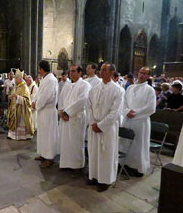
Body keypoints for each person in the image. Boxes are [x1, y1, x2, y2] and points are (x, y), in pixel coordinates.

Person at [86, 63, 123, 192]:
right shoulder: (94, 89)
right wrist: (92, 122)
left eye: (105, 70)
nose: (101, 72)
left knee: (106, 154)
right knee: (93, 152)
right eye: (101, 70)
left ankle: (105, 180)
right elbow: (88, 106)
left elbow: (115, 112)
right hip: (94, 126)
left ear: (112, 72)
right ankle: (94, 176)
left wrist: (101, 125)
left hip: (107, 129)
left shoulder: (117, 90)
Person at [121, 67, 156, 177]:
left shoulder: (149, 90)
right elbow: (124, 102)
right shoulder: (130, 88)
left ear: (148, 76)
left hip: (141, 122)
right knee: (125, 143)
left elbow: (151, 108)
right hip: (128, 119)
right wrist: (127, 111)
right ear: (137, 73)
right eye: (141, 72)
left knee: (139, 144)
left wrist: (135, 113)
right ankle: (124, 164)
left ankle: (138, 167)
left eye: (145, 73)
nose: (142, 75)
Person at [58, 64, 91, 170]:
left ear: (79, 72)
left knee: (76, 142)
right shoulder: (67, 85)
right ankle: (65, 163)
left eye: (73, 71)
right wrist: (61, 111)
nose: (71, 73)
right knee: (65, 141)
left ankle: (76, 165)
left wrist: (67, 112)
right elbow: (61, 98)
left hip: (76, 117)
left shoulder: (85, 85)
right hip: (65, 117)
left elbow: (83, 100)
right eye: (70, 71)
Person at [32, 60, 59, 168]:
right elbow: (39, 93)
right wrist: (34, 101)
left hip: (48, 111)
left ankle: (49, 158)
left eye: (39, 69)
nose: (38, 71)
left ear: (42, 69)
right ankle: (43, 154)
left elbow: (48, 96)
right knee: (43, 134)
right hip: (42, 110)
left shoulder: (51, 80)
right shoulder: (44, 79)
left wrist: (37, 104)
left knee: (48, 135)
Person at [7, 69, 34, 140]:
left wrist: (17, 97)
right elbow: (12, 94)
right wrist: (10, 97)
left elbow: (27, 101)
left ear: (20, 79)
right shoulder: (16, 87)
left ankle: (23, 136)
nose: (15, 80)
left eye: (16, 78)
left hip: (22, 110)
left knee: (21, 123)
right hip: (14, 108)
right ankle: (13, 135)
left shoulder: (25, 88)